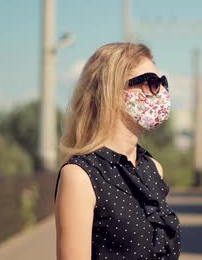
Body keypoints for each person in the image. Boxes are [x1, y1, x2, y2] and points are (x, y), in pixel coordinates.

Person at [54, 42, 181, 259]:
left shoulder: (153, 169)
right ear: (113, 91)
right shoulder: (80, 176)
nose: (160, 92)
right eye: (151, 83)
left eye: (162, 83)